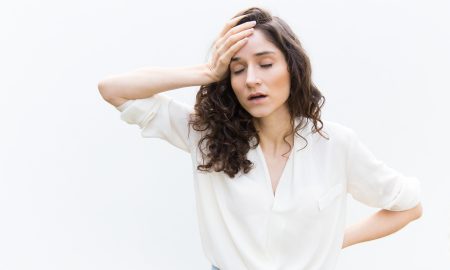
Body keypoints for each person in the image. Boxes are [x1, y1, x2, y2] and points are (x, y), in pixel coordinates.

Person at [98, 6, 423, 270]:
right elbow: (113, 89)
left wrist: (333, 239)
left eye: (265, 64)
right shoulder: (206, 135)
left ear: (291, 69)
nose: (252, 79)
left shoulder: (336, 145)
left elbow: (409, 206)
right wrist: (206, 72)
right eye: (237, 69)